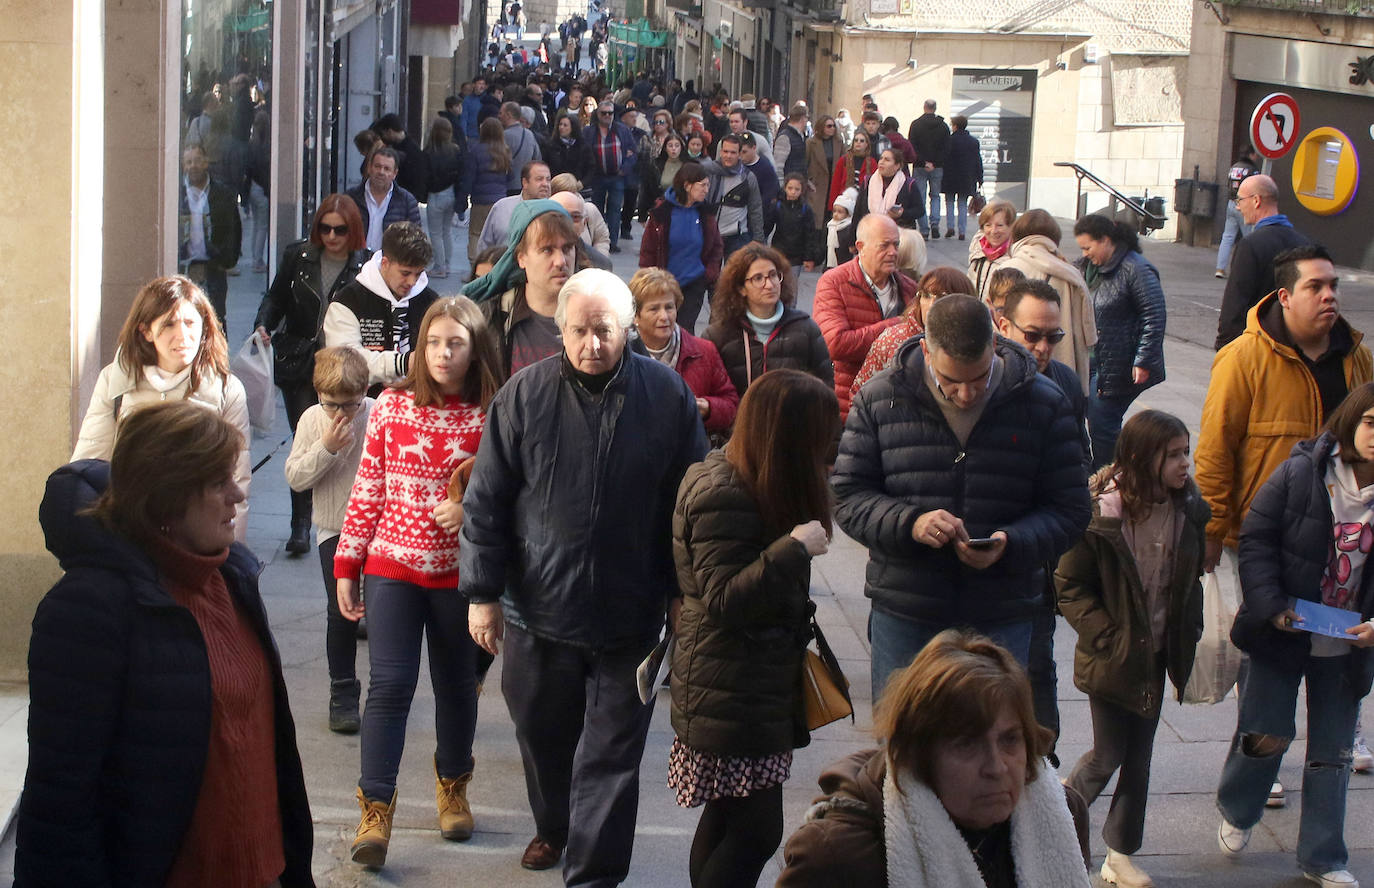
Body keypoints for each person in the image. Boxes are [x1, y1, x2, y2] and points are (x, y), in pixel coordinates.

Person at [459, 268, 708, 880]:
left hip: (633, 616)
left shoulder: (667, 396)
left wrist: (682, 592)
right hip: (538, 612)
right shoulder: (523, 395)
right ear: (560, 330)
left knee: (612, 759)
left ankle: (593, 873)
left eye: (604, 330)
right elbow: (486, 500)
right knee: (542, 737)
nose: (592, 344)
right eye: (579, 331)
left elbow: (691, 503)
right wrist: (482, 594)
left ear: (626, 329)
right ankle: (552, 825)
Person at [20, 402, 314, 886]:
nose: (239, 495)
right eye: (218, 482)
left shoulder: (233, 577)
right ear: (168, 495)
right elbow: (61, 802)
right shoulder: (90, 609)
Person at [833, 294, 1091, 697]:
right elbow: (848, 496)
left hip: (1004, 609)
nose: (967, 395)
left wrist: (1011, 542)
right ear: (925, 350)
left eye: (980, 378)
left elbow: (1071, 510)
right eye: (951, 382)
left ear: (995, 346)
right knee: (906, 741)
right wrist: (910, 523)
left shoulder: (1043, 402)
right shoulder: (881, 397)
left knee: (991, 742)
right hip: (908, 606)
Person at [335, 296, 502, 869]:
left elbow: (511, 496)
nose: (442, 353)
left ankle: (453, 786)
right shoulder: (390, 407)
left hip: (460, 578)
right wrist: (347, 563)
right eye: (433, 341)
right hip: (392, 569)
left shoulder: (492, 414)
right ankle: (374, 811)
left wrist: (471, 510)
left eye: (455, 343)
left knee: (457, 686)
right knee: (389, 687)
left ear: (475, 347)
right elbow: (368, 489)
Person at [669, 369, 838, 887]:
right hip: (730, 688)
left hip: (743, 684)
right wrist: (793, 547)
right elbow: (722, 598)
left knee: (727, 819)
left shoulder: (743, 478)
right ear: (787, 436)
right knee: (757, 831)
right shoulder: (726, 491)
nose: (828, 451)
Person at [775, 630, 1092, 887]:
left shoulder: (1062, 814)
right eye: (967, 745)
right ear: (918, 754)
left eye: (1010, 739)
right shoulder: (836, 856)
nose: (997, 767)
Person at [1216, 384, 1374, 888]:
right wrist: (1273, 607)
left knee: (1333, 753)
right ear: (1351, 422)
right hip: (1284, 630)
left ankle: (1323, 857)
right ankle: (1239, 810)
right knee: (1265, 734)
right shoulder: (1302, 471)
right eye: (1372, 421)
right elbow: (1257, 538)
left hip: (1347, 644)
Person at [1055, 410, 1208, 888]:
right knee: (1108, 754)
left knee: (1139, 758)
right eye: (1175, 454)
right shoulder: (1102, 513)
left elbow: (1188, 580)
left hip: (1158, 653)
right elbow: (1069, 584)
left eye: (1187, 452)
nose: (1186, 463)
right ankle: (1054, 825)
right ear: (1143, 457)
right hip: (1113, 655)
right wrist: (1105, 635)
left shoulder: (1188, 509)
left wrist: (1192, 629)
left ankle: (1119, 853)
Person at [74, 276, 251, 542]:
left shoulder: (227, 389)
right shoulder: (115, 381)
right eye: (169, 324)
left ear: (204, 326)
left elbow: (237, 480)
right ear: (146, 330)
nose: (182, 335)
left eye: (190, 323)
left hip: (195, 538)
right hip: (129, 536)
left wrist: (230, 558)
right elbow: (89, 466)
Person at [254, 194, 370, 553]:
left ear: (353, 232)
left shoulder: (365, 265)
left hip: (342, 367)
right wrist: (263, 325)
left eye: (339, 229)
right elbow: (275, 297)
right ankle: (301, 524)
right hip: (300, 359)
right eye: (325, 228)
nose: (332, 236)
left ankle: (341, 511)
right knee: (306, 435)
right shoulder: (298, 256)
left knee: (340, 437)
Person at [284, 347, 375, 734]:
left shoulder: (378, 413)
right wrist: (328, 448)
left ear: (365, 392)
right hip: (333, 527)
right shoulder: (311, 420)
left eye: (349, 405)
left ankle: (385, 690)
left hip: (379, 528)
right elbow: (296, 478)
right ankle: (342, 690)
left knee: (381, 610)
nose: (339, 414)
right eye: (331, 403)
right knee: (339, 611)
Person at [1074, 214, 1167, 469]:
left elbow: (1154, 315)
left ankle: (1109, 480)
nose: (1085, 253)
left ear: (1105, 240)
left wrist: (1144, 359)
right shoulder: (1084, 267)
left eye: (1088, 247)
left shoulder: (1136, 268)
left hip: (1119, 364)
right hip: (1093, 361)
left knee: (1103, 423)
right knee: (1092, 420)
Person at [813, 214, 918, 421]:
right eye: (884, 245)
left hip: (898, 407)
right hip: (848, 406)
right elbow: (835, 344)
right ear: (860, 247)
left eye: (896, 245)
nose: (893, 252)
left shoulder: (910, 288)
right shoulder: (834, 283)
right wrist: (895, 326)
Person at [463, 199, 579, 377]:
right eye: (547, 250)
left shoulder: (597, 315)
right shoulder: (491, 317)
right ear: (521, 257)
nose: (561, 261)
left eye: (567, 248)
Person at [705, 243, 834, 400]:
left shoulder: (806, 328)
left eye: (773, 275)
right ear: (741, 288)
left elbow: (825, 389)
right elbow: (711, 395)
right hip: (740, 423)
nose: (770, 284)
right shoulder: (719, 335)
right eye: (758, 278)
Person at [323, 221, 440, 389]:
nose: (412, 282)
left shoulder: (430, 301)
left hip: (418, 404)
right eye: (405, 273)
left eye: (419, 273)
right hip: (361, 406)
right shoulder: (348, 301)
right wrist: (403, 363)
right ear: (385, 263)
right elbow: (344, 361)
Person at [629, 268, 739, 439]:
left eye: (669, 307)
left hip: (688, 458)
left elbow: (731, 405)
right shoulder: (622, 356)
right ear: (636, 316)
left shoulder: (703, 351)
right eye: (654, 309)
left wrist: (708, 408)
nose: (664, 316)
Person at [1214, 174, 1313, 350]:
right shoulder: (1304, 243)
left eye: (1240, 200)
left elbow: (1235, 303)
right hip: (1296, 346)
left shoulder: (1250, 245)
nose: (1238, 207)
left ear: (1256, 201)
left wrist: (1224, 347)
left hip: (1258, 347)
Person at [1003, 209, 1096, 395]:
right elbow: (1089, 334)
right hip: (1064, 371)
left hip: (1013, 373)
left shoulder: (1008, 268)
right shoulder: (1071, 272)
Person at [849, 265, 972, 397]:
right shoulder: (892, 340)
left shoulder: (977, 342)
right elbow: (859, 395)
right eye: (926, 295)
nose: (932, 305)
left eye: (942, 297)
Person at [638, 162, 724, 334]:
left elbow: (716, 246)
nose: (707, 190)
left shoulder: (705, 213)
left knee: (685, 329)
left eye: (708, 185)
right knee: (664, 327)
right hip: (665, 283)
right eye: (703, 185)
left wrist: (710, 272)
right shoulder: (662, 213)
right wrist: (649, 277)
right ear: (687, 185)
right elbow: (648, 249)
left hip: (695, 282)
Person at [178, 144, 242, 327]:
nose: (193, 166)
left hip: (213, 269)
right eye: (188, 162)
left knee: (216, 322)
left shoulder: (222, 194)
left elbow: (234, 230)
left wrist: (226, 260)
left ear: (206, 163)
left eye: (197, 160)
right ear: (183, 165)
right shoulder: (176, 194)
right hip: (183, 269)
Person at [582, 99, 639, 253]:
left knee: (614, 210)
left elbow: (633, 152)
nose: (607, 115)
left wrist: (624, 169)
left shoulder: (622, 130)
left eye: (610, 113)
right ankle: (597, 240)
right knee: (596, 210)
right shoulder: (589, 131)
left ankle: (612, 242)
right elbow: (585, 153)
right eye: (604, 113)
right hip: (597, 177)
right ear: (598, 114)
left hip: (617, 176)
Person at [347, 146, 423, 252]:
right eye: (377, 166)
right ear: (369, 168)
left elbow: (416, 240)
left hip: (389, 264)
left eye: (387, 169)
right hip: (355, 262)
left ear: (394, 174)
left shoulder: (407, 201)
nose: (381, 172)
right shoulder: (351, 197)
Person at [699, 134, 765, 256]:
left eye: (733, 152)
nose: (728, 156)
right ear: (720, 152)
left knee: (735, 273)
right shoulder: (706, 171)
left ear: (739, 154)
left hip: (737, 236)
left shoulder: (747, 177)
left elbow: (755, 208)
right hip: (709, 232)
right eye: (725, 151)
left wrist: (758, 238)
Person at [461, 118, 514, 261]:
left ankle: (475, 264)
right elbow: (510, 177)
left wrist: (463, 197)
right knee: (496, 235)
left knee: (476, 233)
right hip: (499, 200)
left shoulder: (476, 150)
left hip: (480, 200)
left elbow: (469, 177)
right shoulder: (505, 151)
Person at [476, 160, 554, 254]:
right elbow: (484, 245)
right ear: (525, 182)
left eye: (548, 179)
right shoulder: (502, 207)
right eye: (539, 179)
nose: (545, 184)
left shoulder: (555, 212)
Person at [424, 117, 464, 278]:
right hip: (451, 193)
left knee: (435, 233)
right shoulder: (455, 150)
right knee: (446, 230)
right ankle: (446, 264)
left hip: (436, 194)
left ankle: (439, 266)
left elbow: (425, 175)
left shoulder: (429, 152)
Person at [1216, 146, 1262, 278]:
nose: (1257, 157)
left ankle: (1220, 268)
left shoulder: (1234, 167)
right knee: (1249, 238)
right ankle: (1246, 270)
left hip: (1232, 203)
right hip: (1245, 204)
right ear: (1251, 154)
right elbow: (1257, 187)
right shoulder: (1252, 170)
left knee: (1227, 237)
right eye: (1255, 154)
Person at [908, 100, 951, 239]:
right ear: (935, 108)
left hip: (920, 166)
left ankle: (924, 229)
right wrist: (935, 163)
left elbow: (912, 146)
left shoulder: (915, 125)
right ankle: (935, 224)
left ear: (924, 107)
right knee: (935, 196)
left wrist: (923, 162)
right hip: (937, 167)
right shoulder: (943, 126)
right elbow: (946, 149)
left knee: (920, 197)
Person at [806, 115, 842, 262]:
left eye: (833, 126)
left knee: (831, 219)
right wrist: (807, 181)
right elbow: (805, 162)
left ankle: (827, 254)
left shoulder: (839, 142)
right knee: (816, 221)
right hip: (817, 186)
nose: (832, 129)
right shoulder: (811, 143)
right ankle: (815, 254)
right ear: (821, 127)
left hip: (833, 185)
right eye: (828, 126)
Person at [940, 116, 982, 241]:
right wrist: (980, 177)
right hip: (966, 177)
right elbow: (977, 161)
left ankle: (950, 227)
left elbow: (944, 159)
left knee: (949, 202)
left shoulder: (949, 140)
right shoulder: (973, 142)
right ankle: (962, 231)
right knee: (962, 203)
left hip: (950, 176)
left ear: (955, 126)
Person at [967, 199, 1016, 300]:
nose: (993, 231)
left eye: (1000, 225)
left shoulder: (1015, 257)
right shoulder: (977, 251)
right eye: (988, 225)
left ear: (1011, 227)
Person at [827, 130, 876, 221]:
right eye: (856, 140)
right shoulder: (844, 160)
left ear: (866, 144)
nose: (858, 143)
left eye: (862, 141)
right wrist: (832, 205)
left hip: (863, 201)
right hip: (844, 200)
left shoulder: (872, 162)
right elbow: (836, 183)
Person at [773, 173, 816, 276]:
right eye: (790, 188)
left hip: (796, 254)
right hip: (779, 250)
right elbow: (767, 226)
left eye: (797, 189)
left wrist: (808, 257)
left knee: (791, 285)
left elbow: (810, 235)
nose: (793, 192)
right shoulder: (778, 206)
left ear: (802, 191)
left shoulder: (805, 209)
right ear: (785, 188)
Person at [639, 131, 686, 218]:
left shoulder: (688, 165)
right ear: (665, 148)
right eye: (670, 146)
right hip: (661, 209)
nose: (673, 149)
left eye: (677, 145)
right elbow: (646, 190)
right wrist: (642, 215)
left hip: (683, 209)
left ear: (681, 148)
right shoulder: (655, 165)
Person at [865, 148, 907, 225]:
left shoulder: (907, 183)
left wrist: (902, 214)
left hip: (898, 231)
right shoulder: (869, 181)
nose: (881, 162)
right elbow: (859, 211)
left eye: (887, 160)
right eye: (881, 158)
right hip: (872, 229)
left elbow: (919, 210)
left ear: (897, 166)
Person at [546, 113, 586, 179]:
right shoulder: (551, 145)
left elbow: (589, 167)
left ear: (573, 127)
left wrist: (582, 183)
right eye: (560, 124)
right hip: (556, 183)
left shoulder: (582, 145)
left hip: (577, 184)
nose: (561, 127)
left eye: (565, 125)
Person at [773, 103, 809, 177]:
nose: (807, 121)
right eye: (807, 117)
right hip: (789, 184)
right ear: (802, 118)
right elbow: (778, 165)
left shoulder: (800, 136)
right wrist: (782, 186)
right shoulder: (785, 137)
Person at [825, 188, 858, 269]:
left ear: (848, 214)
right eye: (834, 211)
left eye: (840, 212)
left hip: (844, 262)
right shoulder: (830, 225)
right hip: (830, 263)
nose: (836, 214)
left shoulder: (849, 227)